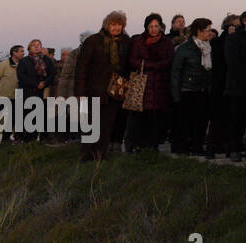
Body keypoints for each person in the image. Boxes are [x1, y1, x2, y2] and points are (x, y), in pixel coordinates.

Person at [73, 12, 129, 160]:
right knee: (90, 124)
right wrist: (79, 91)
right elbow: (81, 67)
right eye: (113, 24)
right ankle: (85, 155)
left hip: (113, 91)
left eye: (119, 25)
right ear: (107, 25)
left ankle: (100, 155)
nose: (116, 27)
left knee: (107, 125)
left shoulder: (125, 42)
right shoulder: (93, 41)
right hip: (93, 89)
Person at [125, 13, 174, 151]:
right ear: (146, 27)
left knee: (156, 117)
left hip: (160, 85)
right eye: (150, 26)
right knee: (137, 116)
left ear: (161, 27)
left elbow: (169, 60)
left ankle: (153, 145)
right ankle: (134, 144)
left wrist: (151, 65)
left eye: (156, 26)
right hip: (141, 84)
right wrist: (153, 65)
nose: (153, 29)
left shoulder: (166, 42)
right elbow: (132, 61)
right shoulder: (138, 41)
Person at [170, 18, 214, 156]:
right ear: (199, 31)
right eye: (207, 30)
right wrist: (176, 94)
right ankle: (182, 147)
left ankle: (197, 147)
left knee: (201, 121)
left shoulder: (208, 48)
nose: (210, 33)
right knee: (184, 121)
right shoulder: (184, 48)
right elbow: (176, 72)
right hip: (187, 89)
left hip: (202, 89)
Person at [223, 10, 246, 161]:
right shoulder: (234, 39)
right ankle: (235, 150)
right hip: (237, 86)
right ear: (245, 21)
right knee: (237, 120)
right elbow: (232, 62)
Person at [205, 14, 239, 157]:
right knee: (217, 118)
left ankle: (228, 146)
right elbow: (221, 56)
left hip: (233, 84)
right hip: (219, 85)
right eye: (236, 26)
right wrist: (230, 38)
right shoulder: (218, 42)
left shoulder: (240, 40)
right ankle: (212, 146)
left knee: (231, 118)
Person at [0, 46, 23, 142]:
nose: (23, 53)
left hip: (16, 96)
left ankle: (6, 138)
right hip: (2, 96)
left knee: (12, 118)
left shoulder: (22, 65)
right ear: (14, 53)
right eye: (21, 51)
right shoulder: (4, 65)